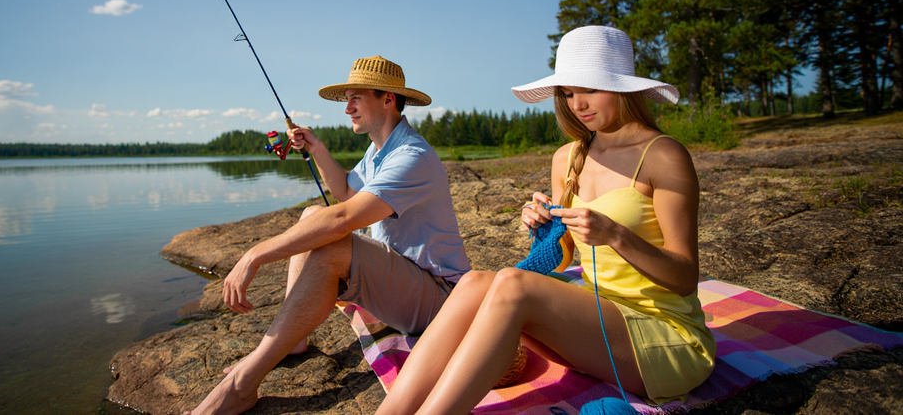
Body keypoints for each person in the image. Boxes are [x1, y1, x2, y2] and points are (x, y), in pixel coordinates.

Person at [373, 26, 716, 415]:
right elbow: (563, 256)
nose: (578, 104)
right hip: (599, 323)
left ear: (622, 87)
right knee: (474, 283)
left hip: (665, 337)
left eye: (590, 90)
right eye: (567, 93)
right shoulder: (567, 158)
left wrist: (617, 235)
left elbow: (685, 277)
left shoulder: (663, 156)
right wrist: (544, 229)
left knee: (513, 285)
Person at [186, 56, 470, 415]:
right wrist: (316, 147)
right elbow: (347, 193)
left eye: (356, 99)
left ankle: (242, 386)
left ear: (388, 99)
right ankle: (294, 340)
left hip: (443, 303)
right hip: (409, 284)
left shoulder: (413, 156)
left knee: (332, 245)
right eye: (347, 99)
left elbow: (342, 219)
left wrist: (254, 254)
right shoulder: (380, 150)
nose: (347, 108)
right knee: (311, 215)